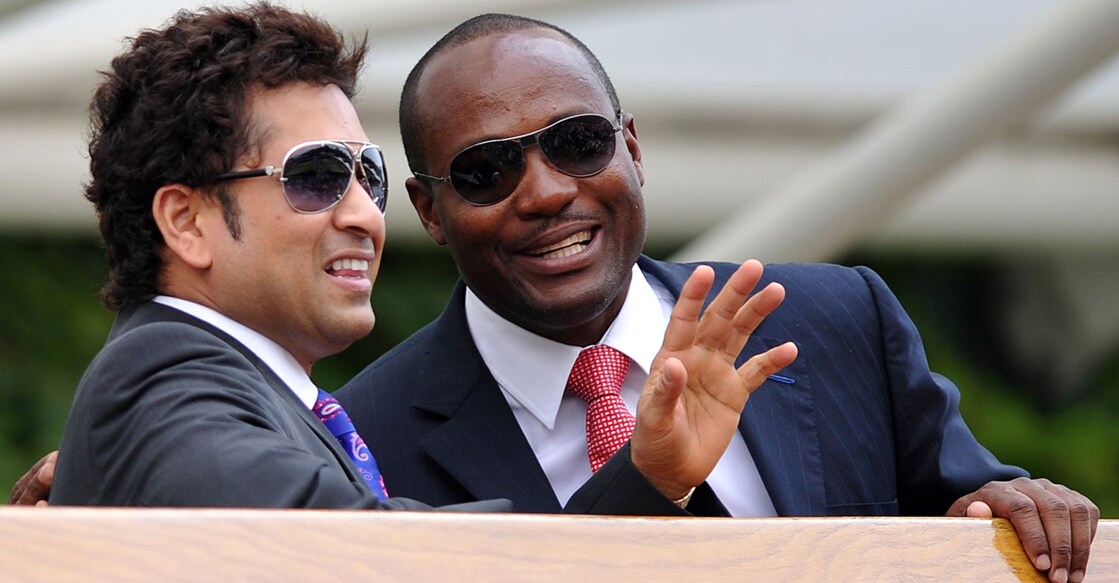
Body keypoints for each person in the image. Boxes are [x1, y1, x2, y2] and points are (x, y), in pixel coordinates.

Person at [327, 13, 1098, 583]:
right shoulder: (362, 446)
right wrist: (647, 479)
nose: (547, 192)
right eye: (484, 172)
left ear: (631, 148)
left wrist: (1020, 504)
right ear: (429, 211)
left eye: (578, 143)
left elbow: (970, 509)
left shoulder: (836, 320)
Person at [36, 4, 796, 513]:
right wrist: (647, 480)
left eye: (365, 174)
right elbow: (387, 560)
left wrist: (644, 476)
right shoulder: (163, 383)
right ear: (185, 220)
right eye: (315, 176)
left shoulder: (218, 389)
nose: (366, 214)